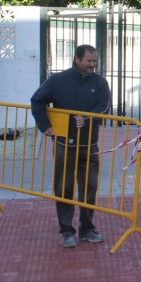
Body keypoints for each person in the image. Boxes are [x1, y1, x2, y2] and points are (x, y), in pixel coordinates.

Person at [30, 44, 111, 248]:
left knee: (89, 189)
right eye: (88, 61)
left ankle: (87, 229)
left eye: (95, 61)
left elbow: (104, 106)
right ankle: (66, 231)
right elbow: (37, 101)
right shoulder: (58, 81)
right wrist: (45, 126)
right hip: (64, 144)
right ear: (77, 59)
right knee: (64, 187)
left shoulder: (100, 82)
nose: (92, 65)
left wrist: (88, 118)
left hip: (89, 145)